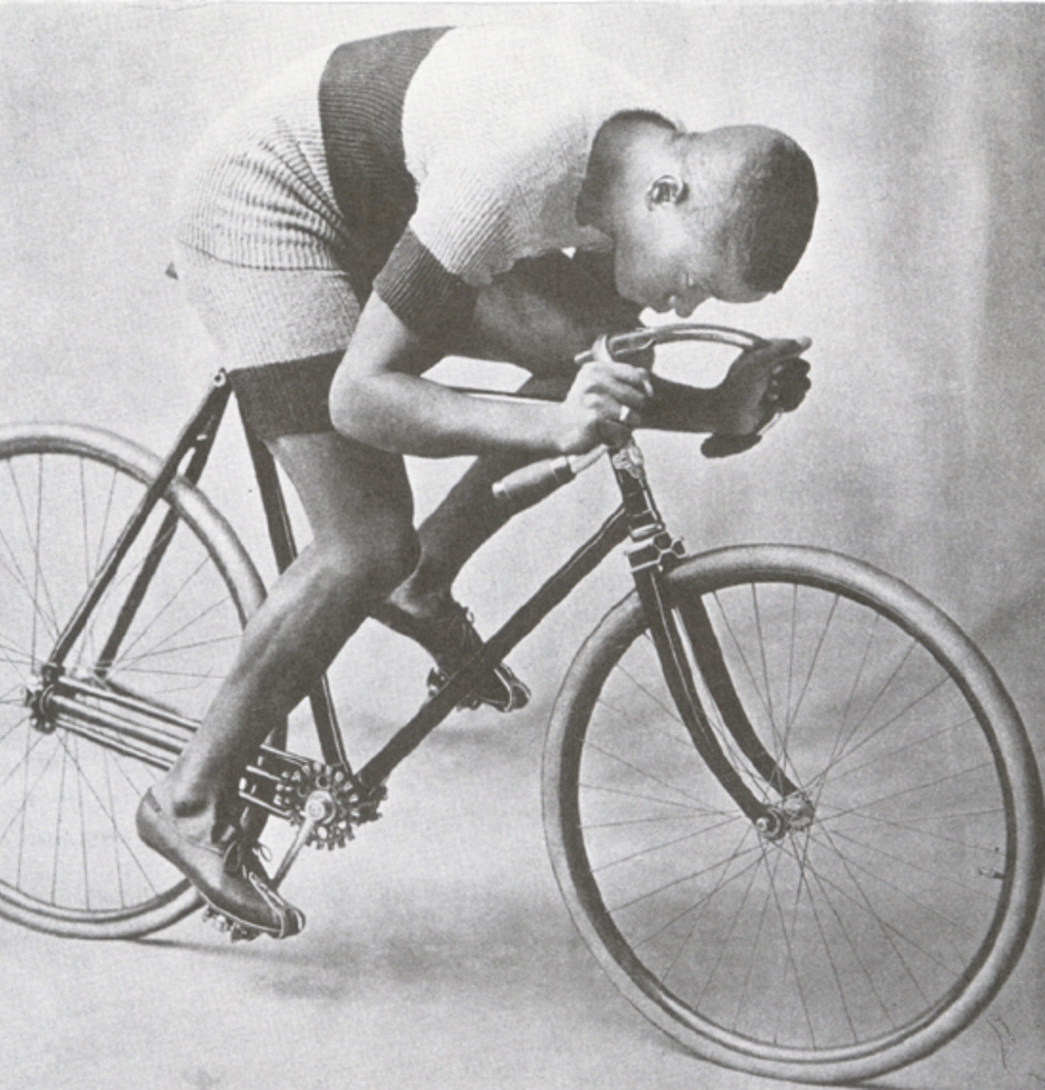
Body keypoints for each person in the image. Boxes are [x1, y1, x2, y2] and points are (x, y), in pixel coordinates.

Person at [136, 24, 817, 938]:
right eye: (693, 280)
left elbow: (595, 357)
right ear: (666, 193)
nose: (683, 306)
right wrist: (556, 421)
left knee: (583, 352)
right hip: (268, 204)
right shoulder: (512, 170)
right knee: (367, 539)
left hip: (383, 201)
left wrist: (716, 410)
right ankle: (186, 798)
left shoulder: (648, 159)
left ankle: (427, 583)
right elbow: (362, 399)